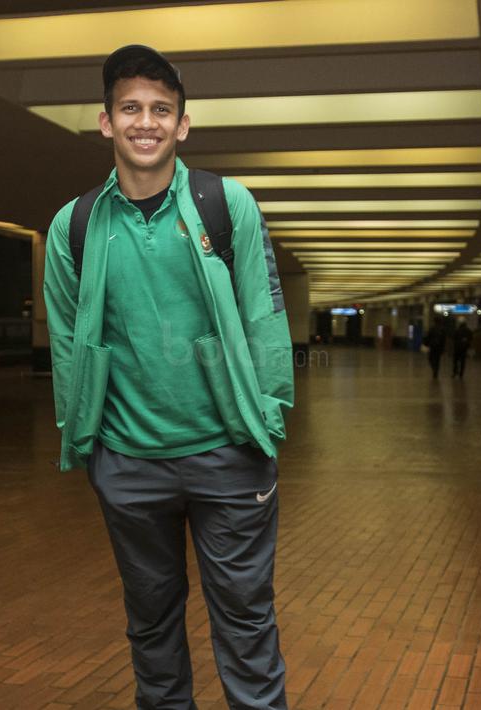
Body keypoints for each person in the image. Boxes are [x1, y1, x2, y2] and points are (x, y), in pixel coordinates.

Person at [43, 45, 293, 710]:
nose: (145, 122)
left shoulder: (225, 203)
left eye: (160, 110)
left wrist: (266, 421)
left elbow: (264, 315)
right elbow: (65, 340)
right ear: (106, 121)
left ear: (182, 125)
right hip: (129, 463)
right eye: (130, 108)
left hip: (228, 456)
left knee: (245, 622)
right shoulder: (74, 225)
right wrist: (86, 440)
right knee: (150, 626)